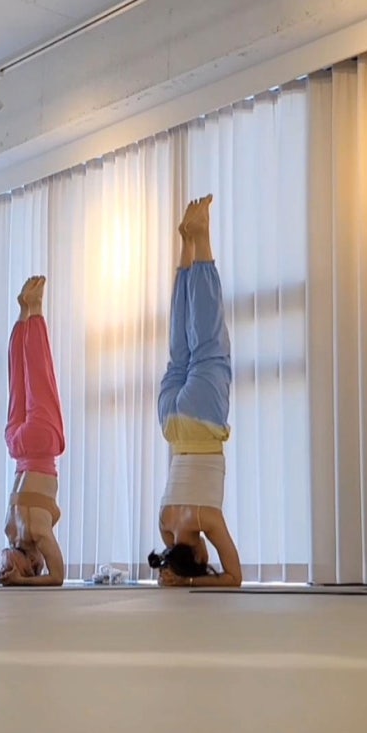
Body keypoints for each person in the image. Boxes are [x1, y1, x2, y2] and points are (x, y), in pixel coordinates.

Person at [150, 195, 242, 588]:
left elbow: (234, 577)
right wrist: (173, 575)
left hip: (202, 423)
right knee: (180, 345)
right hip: (171, 422)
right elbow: (171, 563)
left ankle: (201, 237)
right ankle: (186, 244)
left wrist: (192, 582)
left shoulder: (206, 518)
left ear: (201, 557)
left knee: (208, 340)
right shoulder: (166, 522)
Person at [0, 275, 66, 586]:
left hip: (34, 447)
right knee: (24, 376)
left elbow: (56, 577)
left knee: (32, 375)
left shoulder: (27, 532)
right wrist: (21, 581)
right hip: (21, 447)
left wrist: (20, 579)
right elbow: (57, 577)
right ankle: (27, 312)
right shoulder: (18, 530)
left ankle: (31, 311)